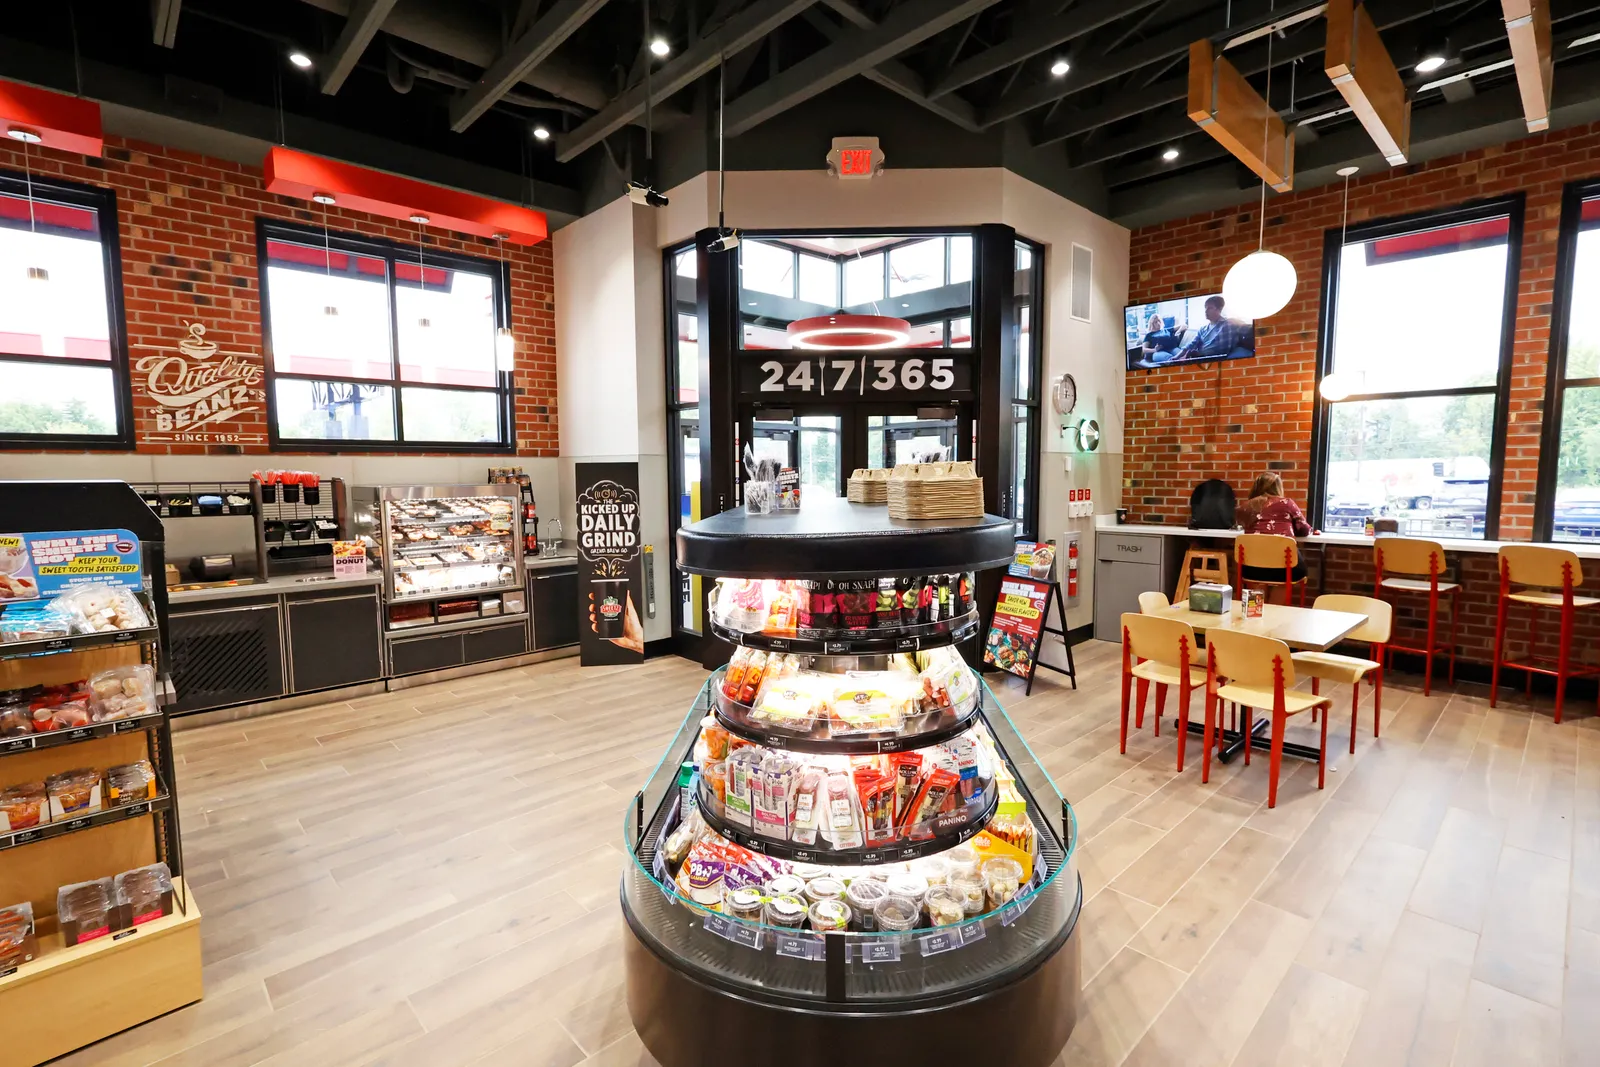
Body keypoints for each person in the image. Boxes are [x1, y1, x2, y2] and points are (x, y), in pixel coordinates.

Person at [1237, 472, 1311, 583]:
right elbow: (1304, 530)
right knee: (1282, 581)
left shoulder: (1245, 507)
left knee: (1258, 591)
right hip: (1284, 567)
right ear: (1278, 488)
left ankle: (1260, 600)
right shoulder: (1287, 503)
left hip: (1252, 567)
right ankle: (1275, 601)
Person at [1174, 295, 1250, 361]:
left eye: (1210, 308)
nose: (1206, 311)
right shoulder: (1202, 329)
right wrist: (1176, 357)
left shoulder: (1229, 323)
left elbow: (1249, 327)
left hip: (1215, 360)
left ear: (1219, 309)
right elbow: (1191, 344)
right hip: (1198, 358)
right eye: (1205, 308)